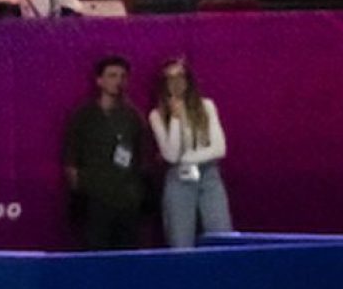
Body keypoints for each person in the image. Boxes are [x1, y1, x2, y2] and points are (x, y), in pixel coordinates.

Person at [62, 55, 146, 250]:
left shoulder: (133, 116)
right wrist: (81, 189)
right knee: (96, 254)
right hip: (95, 200)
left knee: (128, 258)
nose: (118, 81)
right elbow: (70, 159)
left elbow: (142, 158)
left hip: (127, 200)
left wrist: (137, 193)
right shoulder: (83, 116)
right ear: (99, 80)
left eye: (122, 76)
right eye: (112, 75)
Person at [149, 58, 232, 249]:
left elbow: (219, 148)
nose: (176, 83)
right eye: (170, 79)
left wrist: (186, 158)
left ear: (189, 80)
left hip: (208, 176)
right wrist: (176, 118)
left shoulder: (206, 106)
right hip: (179, 180)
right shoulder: (157, 115)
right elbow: (170, 155)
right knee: (180, 240)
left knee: (222, 235)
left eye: (180, 77)